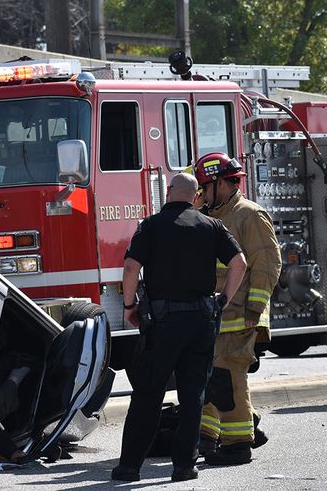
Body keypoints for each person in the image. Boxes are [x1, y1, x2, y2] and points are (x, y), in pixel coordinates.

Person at [111, 172, 247, 483]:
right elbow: (239, 262)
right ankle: (185, 466)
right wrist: (223, 299)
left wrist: (130, 306)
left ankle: (130, 467)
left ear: (170, 191)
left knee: (148, 393)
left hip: (163, 324)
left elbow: (132, 267)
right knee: (193, 395)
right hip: (201, 322)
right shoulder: (211, 225)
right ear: (194, 194)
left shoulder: (151, 225)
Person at [191, 152, 282, 466]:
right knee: (207, 376)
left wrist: (255, 307)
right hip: (211, 315)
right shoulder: (207, 215)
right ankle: (206, 436)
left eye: (205, 186)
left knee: (228, 375)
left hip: (239, 313)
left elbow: (268, 263)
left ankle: (238, 444)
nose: (201, 192)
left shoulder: (249, 215)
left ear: (220, 182)